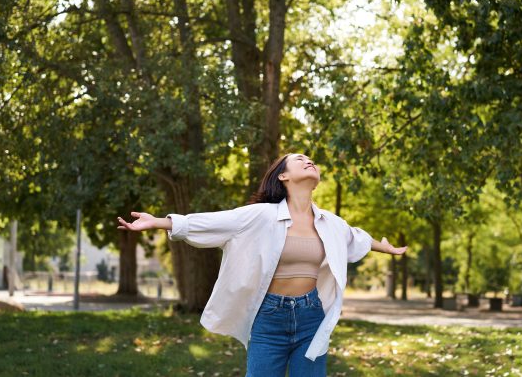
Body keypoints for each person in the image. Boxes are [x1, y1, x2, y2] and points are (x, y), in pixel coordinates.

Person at [116, 153, 407, 376]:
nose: (309, 161)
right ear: (283, 177)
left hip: (311, 317)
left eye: (311, 160)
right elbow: (211, 222)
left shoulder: (331, 223)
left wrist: (385, 247)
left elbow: (356, 238)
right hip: (269, 318)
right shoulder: (260, 216)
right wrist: (159, 222)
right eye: (299, 159)